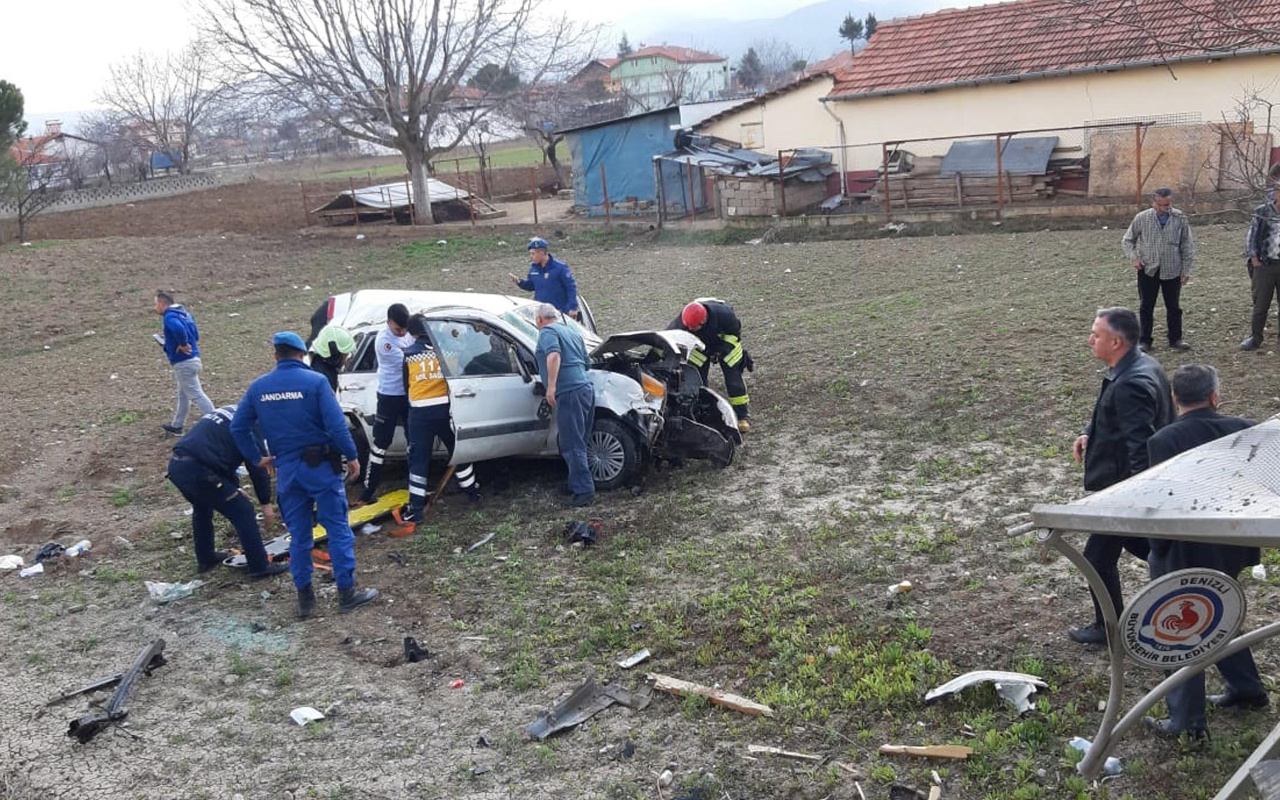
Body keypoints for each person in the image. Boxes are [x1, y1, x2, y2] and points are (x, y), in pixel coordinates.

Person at [1140, 365, 1267, 739]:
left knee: (1176, 631)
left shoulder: (1163, 440)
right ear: (1215, 396)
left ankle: (1187, 724)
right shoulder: (1243, 427)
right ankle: (1247, 690)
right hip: (1233, 544)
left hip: (1184, 552)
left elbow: (1162, 504)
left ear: (1175, 399)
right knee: (1221, 613)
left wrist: (1157, 553)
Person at [231, 331, 378, 619]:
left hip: (287, 472)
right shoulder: (316, 382)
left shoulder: (259, 387)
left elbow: (238, 427)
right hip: (321, 469)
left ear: (276, 355)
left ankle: (305, 599)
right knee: (336, 528)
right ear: (302, 355)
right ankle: (347, 593)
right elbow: (336, 425)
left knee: (298, 536)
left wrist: (257, 458)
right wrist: (352, 456)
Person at [1068, 306, 1174, 645]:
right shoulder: (1134, 367)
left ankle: (1108, 630)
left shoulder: (1132, 382)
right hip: (1125, 487)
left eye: (1096, 335)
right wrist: (1090, 433)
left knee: (1098, 558)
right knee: (1145, 550)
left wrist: (1136, 498)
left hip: (1124, 490)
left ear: (1116, 341)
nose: (1090, 340)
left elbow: (1140, 444)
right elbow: (1114, 415)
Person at [167, 405, 288, 579]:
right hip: (202, 472)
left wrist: (234, 487)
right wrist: (265, 503)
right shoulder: (252, 426)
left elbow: (221, 453)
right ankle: (259, 567)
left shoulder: (231, 411)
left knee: (202, 507)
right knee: (243, 511)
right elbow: (257, 465)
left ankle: (206, 558)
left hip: (179, 466)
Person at [388, 315, 480, 537]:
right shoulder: (446, 352)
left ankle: (416, 510)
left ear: (411, 333)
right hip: (447, 410)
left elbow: (405, 385)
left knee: (419, 461)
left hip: (420, 413)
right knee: (458, 452)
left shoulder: (409, 355)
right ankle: (472, 492)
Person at [534, 303, 595, 507]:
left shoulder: (547, 332)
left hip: (569, 392)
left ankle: (583, 491)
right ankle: (575, 482)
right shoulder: (572, 332)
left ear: (540, 320)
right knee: (580, 440)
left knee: (571, 444)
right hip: (586, 389)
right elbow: (587, 363)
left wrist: (551, 387)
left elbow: (553, 355)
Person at [1121, 187, 1195, 352]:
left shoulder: (1180, 218)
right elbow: (1127, 240)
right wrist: (1134, 258)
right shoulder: (1142, 218)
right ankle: (1144, 340)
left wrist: (1186, 269)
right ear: (1153, 202)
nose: (1164, 208)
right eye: (1160, 205)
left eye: (1167, 204)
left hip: (1172, 269)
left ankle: (1176, 339)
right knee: (1146, 306)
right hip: (1148, 269)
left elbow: (1187, 245)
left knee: (1173, 307)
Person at [357, 303, 414, 505]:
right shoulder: (384, 341)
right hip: (390, 396)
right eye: (399, 329)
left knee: (413, 440)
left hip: (408, 395)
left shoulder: (405, 332)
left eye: (405, 328)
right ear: (389, 322)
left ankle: (414, 486)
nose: (403, 332)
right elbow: (411, 360)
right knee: (381, 444)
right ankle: (368, 491)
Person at [669, 298, 753, 433]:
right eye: (688, 327)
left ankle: (742, 416)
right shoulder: (681, 323)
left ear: (704, 321)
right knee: (697, 379)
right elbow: (668, 340)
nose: (690, 330)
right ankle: (705, 413)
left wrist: (721, 350)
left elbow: (735, 334)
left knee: (733, 380)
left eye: (694, 327)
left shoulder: (725, 314)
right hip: (701, 348)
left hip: (725, 343)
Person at [155, 290, 215, 435]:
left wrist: (182, 344)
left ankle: (218, 421)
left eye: (156, 304)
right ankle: (177, 426)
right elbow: (195, 335)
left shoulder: (169, 316)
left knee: (196, 394)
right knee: (184, 395)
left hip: (183, 363)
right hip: (193, 359)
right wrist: (174, 342)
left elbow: (178, 328)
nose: (155, 308)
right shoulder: (185, 314)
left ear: (163, 304)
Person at [1240, 189, 1280, 351]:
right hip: (1265, 264)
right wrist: (1254, 259)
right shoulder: (1262, 211)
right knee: (1261, 304)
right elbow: (1252, 236)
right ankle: (1255, 337)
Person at [509, 238, 581, 319]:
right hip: (541, 314)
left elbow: (571, 288)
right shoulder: (533, 269)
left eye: (533, 254)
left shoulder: (560, 268)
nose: (531, 257)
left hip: (558, 313)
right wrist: (519, 282)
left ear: (542, 253)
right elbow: (531, 286)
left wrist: (572, 307)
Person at [308, 323, 357, 392]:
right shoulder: (325, 379)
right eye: (346, 354)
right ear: (336, 354)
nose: (347, 357)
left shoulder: (315, 367)